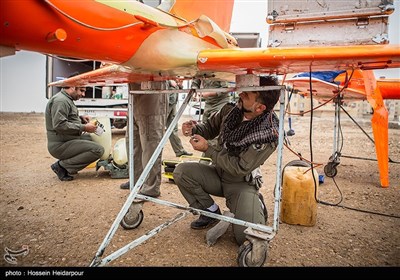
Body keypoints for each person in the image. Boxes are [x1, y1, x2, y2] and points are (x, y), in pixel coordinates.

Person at [173, 75, 280, 245]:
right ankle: (211, 213)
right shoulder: (231, 111)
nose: (241, 95)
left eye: (248, 94)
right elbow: (209, 128)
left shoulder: (267, 134)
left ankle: (254, 202)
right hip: (219, 173)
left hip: (240, 184)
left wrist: (208, 149)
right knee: (181, 172)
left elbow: (239, 167)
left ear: (260, 107)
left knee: (245, 239)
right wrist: (193, 129)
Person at [45, 81, 105, 181]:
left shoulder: (66, 99)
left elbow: (66, 118)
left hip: (67, 139)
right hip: (60, 144)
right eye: (81, 90)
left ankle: (68, 164)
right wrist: (84, 127)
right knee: (98, 150)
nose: (83, 94)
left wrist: (80, 119)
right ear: (72, 87)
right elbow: (60, 125)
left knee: (93, 139)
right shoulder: (61, 101)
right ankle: (62, 166)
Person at [119, 82, 168, 198]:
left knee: (150, 146)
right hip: (135, 97)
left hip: (151, 97)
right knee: (132, 144)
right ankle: (136, 180)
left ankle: (151, 187)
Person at [166, 80, 192, 157]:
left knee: (173, 128)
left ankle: (179, 151)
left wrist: (179, 85)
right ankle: (154, 154)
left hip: (172, 101)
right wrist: (169, 82)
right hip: (164, 101)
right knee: (157, 129)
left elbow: (177, 85)